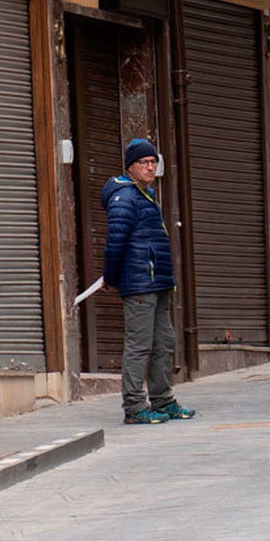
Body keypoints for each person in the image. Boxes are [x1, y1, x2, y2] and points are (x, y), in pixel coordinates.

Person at [102, 139, 195, 425]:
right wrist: (112, 277)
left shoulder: (145, 194)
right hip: (139, 283)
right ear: (130, 166)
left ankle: (163, 400)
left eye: (153, 162)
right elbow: (115, 241)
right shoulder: (124, 197)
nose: (150, 167)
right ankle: (134, 407)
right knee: (139, 345)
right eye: (144, 163)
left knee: (163, 343)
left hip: (157, 282)